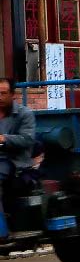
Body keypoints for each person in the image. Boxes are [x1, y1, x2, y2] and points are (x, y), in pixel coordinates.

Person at [0, 78, 37, 240]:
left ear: (12, 95)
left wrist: (4, 139)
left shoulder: (24, 114)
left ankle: (2, 231)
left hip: (14, 162)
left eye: (3, 93)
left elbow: (28, 139)